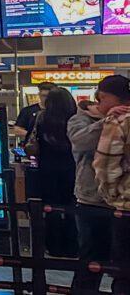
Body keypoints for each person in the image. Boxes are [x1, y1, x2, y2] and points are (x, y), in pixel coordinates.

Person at [68, 97, 113, 294]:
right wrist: (108, 122)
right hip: (91, 198)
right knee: (91, 257)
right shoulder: (79, 120)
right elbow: (79, 141)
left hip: (120, 200)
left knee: (119, 260)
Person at [94, 75, 130, 295]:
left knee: (125, 275)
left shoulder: (120, 121)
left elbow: (105, 167)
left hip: (127, 210)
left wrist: (114, 197)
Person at [35, 86, 78, 257]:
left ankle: (54, 246)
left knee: (50, 208)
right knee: (72, 207)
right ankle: (73, 246)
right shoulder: (76, 119)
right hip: (72, 168)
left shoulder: (42, 117)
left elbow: (31, 140)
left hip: (47, 169)